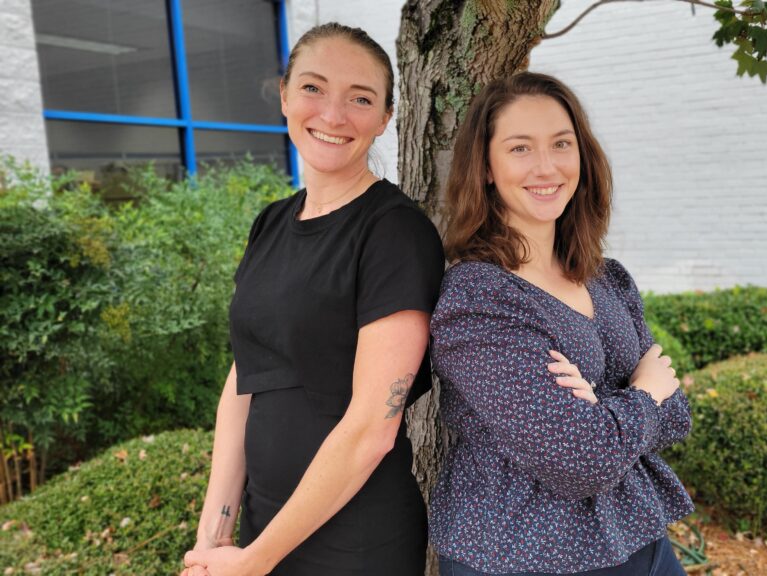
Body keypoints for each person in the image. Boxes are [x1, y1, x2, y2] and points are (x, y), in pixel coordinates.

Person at [180, 23, 444, 576]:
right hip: (260, 527)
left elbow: (373, 428)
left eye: (361, 99)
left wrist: (255, 561)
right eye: (313, 88)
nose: (332, 114)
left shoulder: (395, 233)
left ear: (385, 118)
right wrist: (215, 537)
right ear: (284, 94)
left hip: (355, 541)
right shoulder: (271, 224)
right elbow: (244, 380)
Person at [428, 72, 695, 576]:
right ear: (485, 167)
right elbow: (582, 461)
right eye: (520, 148)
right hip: (522, 553)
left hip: (639, 540)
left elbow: (676, 413)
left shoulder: (606, 279)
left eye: (561, 144)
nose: (546, 166)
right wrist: (640, 396)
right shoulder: (480, 299)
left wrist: (602, 412)